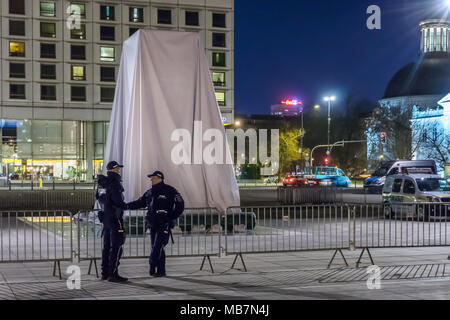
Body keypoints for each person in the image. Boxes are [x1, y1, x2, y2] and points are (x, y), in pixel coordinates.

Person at [127, 171, 184, 277]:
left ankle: (152, 265)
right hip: (153, 224)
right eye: (151, 178)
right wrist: (126, 206)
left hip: (164, 223)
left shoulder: (170, 190)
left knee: (158, 246)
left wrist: (171, 216)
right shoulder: (150, 192)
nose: (151, 180)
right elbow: (140, 202)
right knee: (156, 247)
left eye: (153, 178)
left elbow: (180, 204)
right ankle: (161, 271)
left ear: (160, 178)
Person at [97, 161, 129, 283]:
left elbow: (100, 198)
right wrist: (125, 206)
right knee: (116, 246)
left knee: (106, 247)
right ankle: (113, 273)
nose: (119, 170)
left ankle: (104, 273)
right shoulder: (114, 182)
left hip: (106, 218)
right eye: (118, 169)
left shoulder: (102, 183)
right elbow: (118, 200)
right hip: (115, 218)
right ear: (114, 169)